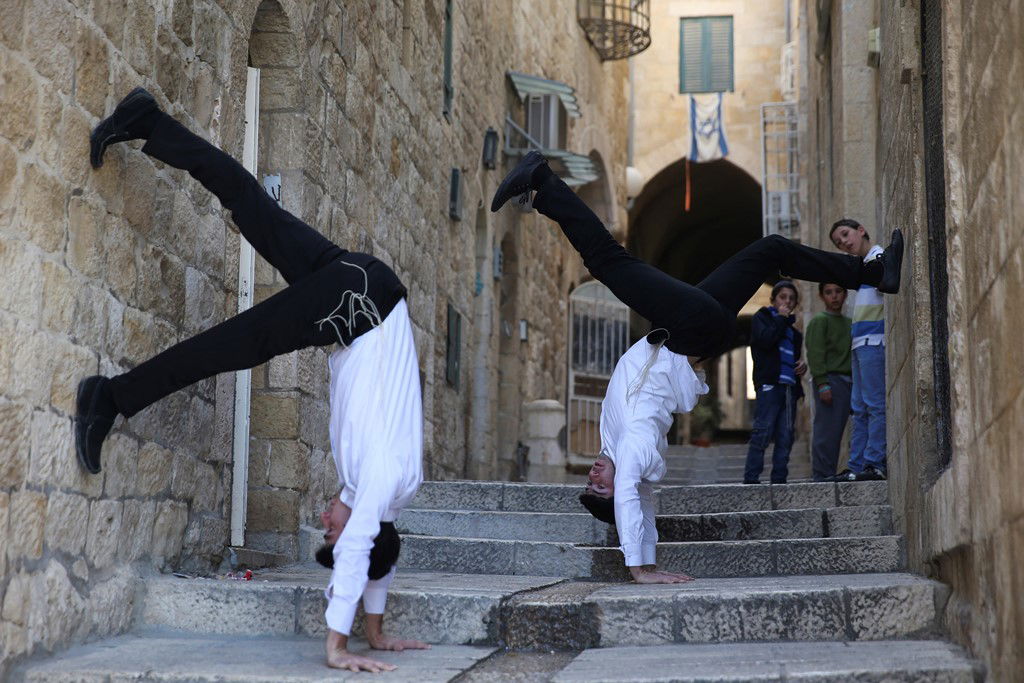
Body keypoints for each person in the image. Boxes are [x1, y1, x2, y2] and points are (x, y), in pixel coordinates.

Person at [78, 88, 427, 672]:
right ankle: (109, 397)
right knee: (231, 345)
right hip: (357, 306)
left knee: (251, 206)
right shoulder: (381, 483)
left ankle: (147, 121)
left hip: (367, 286)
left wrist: (378, 631)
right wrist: (340, 647)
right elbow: (366, 548)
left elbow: (377, 555)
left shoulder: (388, 489)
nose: (326, 524)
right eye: (332, 536)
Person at [491, 152, 903, 583]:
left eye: (590, 483)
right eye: (600, 487)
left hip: (692, 330)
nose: (593, 476)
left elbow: (642, 501)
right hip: (689, 332)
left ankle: (874, 273)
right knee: (608, 261)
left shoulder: (615, 445)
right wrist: (639, 568)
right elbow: (632, 498)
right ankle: (541, 181)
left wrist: (649, 553)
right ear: (617, 488)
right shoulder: (632, 447)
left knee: (771, 250)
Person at [826, 219, 887, 482]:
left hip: (874, 341)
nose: (844, 243)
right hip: (859, 344)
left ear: (861, 230)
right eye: (839, 242)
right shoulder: (859, 270)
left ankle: (874, 463)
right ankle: (856, 465)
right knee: (858, 408)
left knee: (874, 405)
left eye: (846, 235)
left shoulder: (878, 258)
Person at [742, 280, 807, 485]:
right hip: (770, 385)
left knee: (786, 435)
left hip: (789, 387)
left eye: (791, 299)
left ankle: (779, 480)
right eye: (782, 297)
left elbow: (793, 357)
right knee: (763, 431)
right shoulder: (762, 318)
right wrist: (780, 319)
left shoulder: (794, 333)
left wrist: (801, 366)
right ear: (773, 300)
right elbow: (766, 340)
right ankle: (751, 479)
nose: (787, 302)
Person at [804, 283, 853, 481]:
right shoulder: (819, 321)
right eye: (828, 293)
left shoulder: (850, 322)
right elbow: (815, 353)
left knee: (845, 430)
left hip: (850, 382)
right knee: (827, 432)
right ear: (821, 296)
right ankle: (822, 476)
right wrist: (822, 383)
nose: (834, 297)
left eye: (838, 291)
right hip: (830, 382)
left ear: (845, 294)